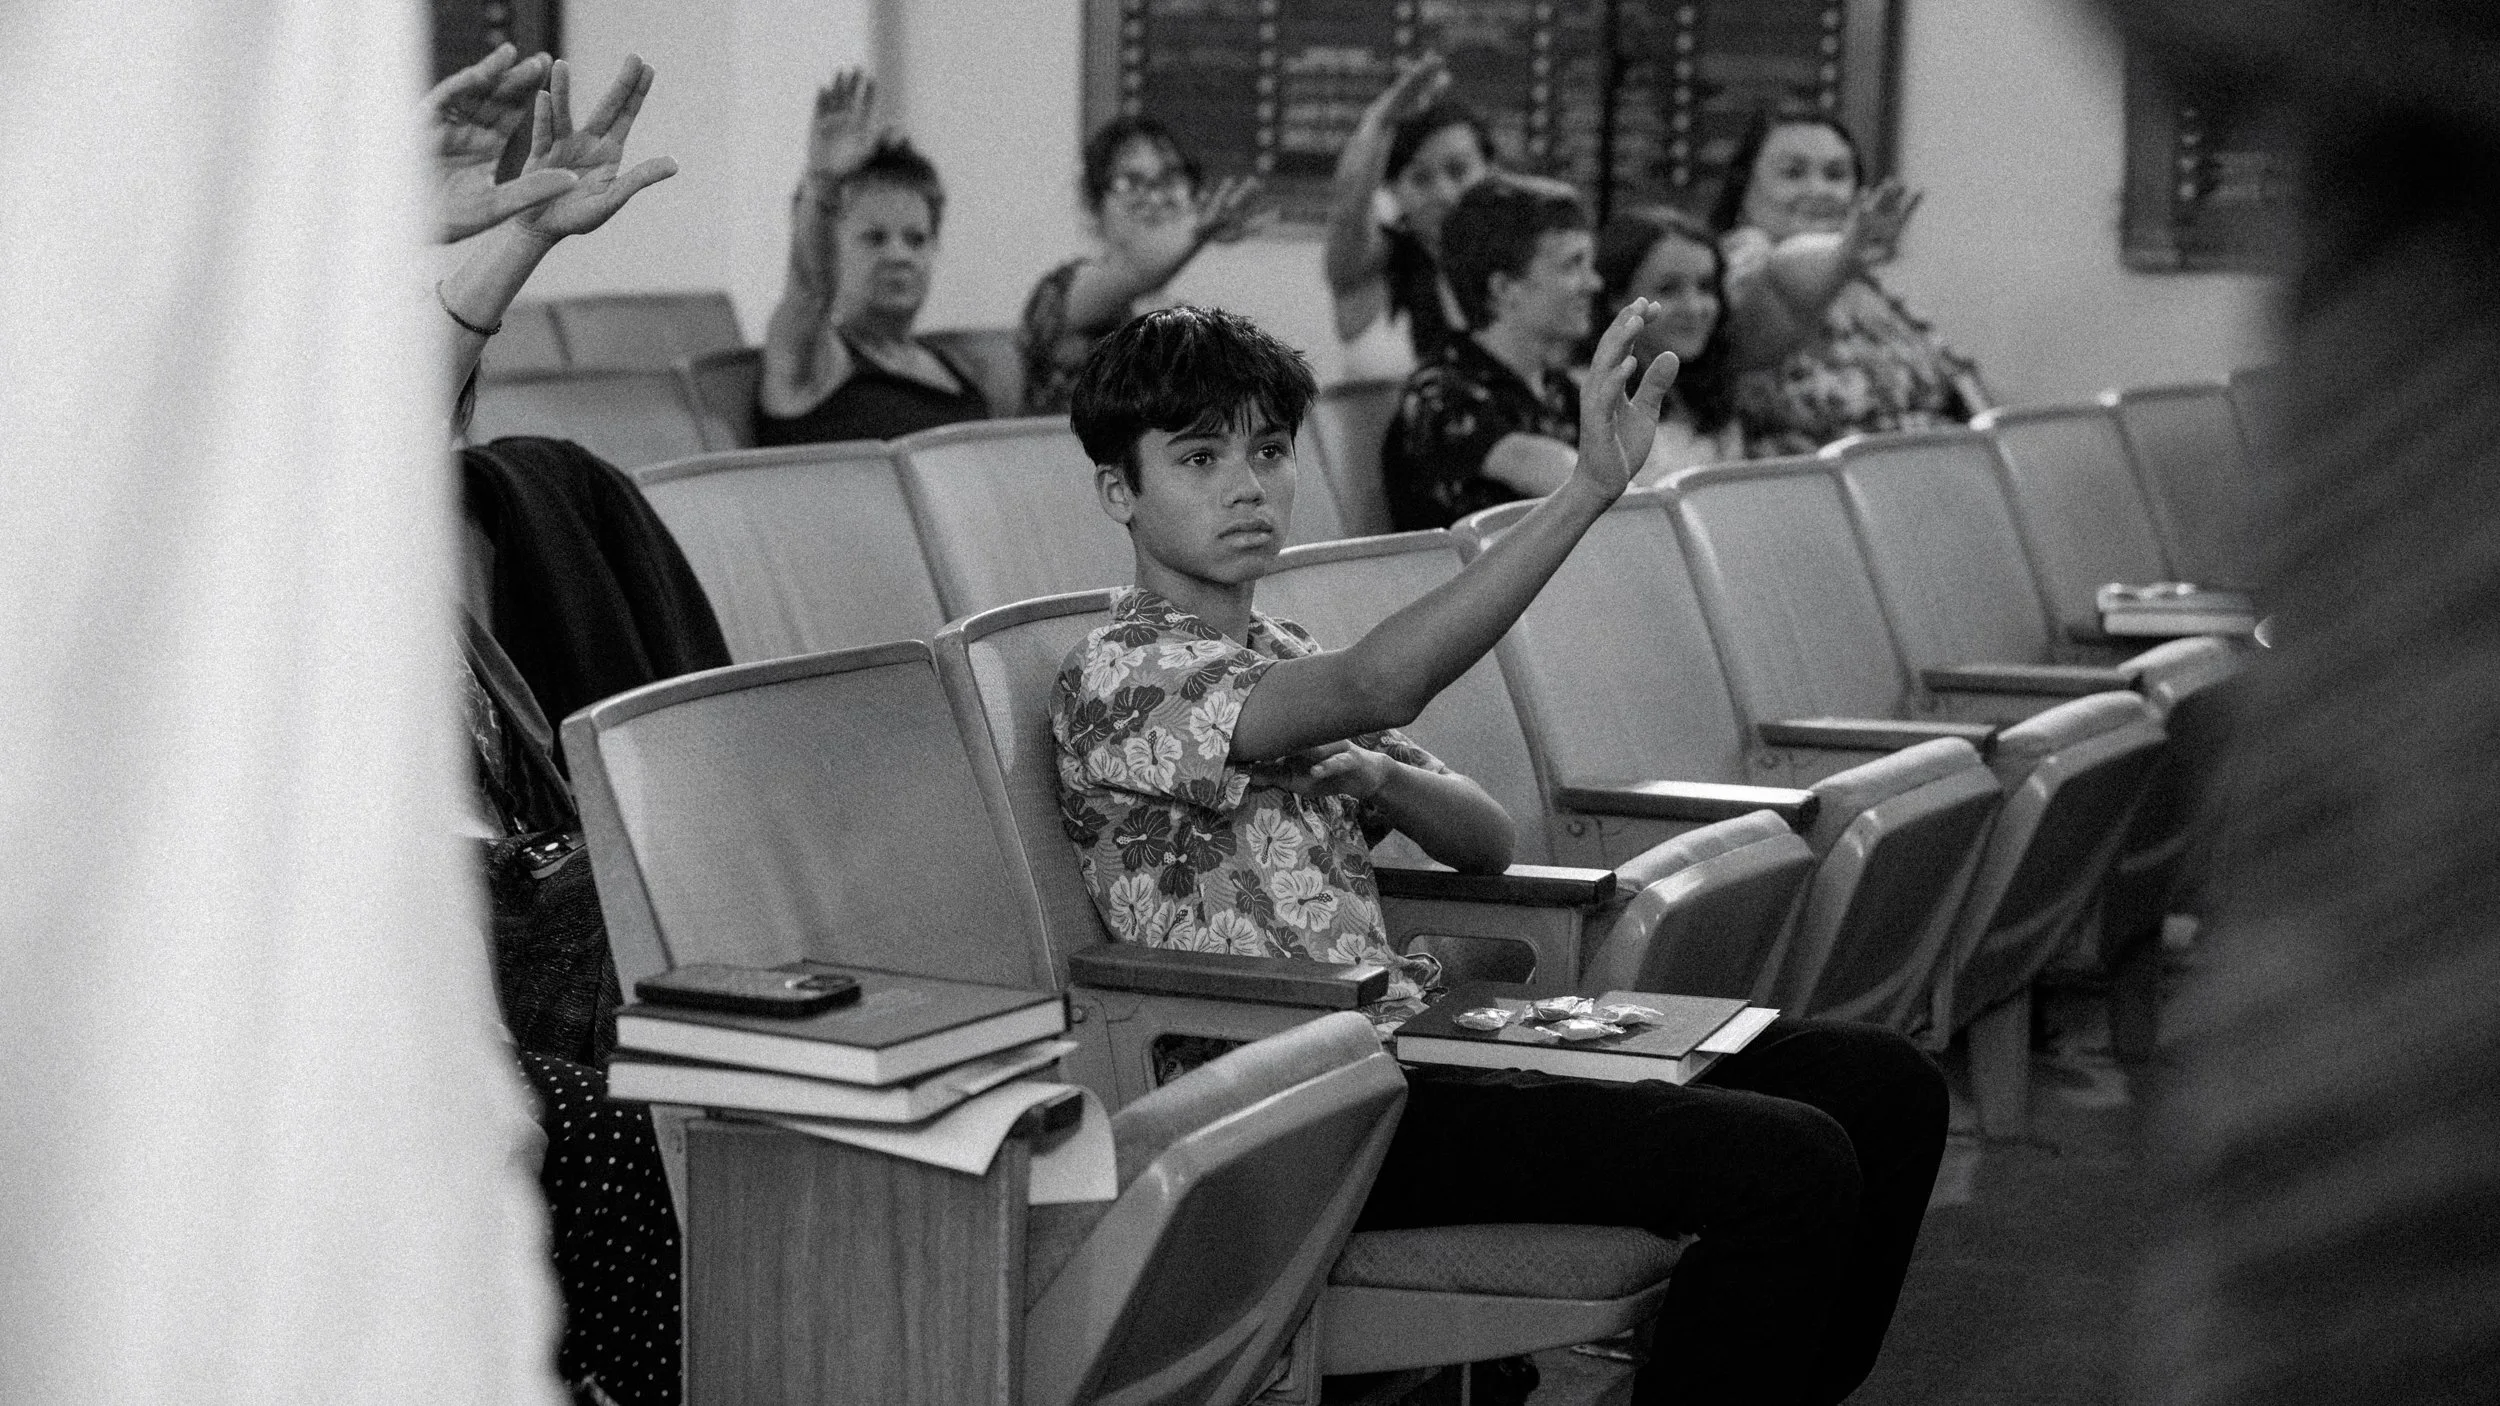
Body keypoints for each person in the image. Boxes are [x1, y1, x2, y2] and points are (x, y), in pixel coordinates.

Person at [1050, 304, 1947, 1406]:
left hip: (1421, 1044)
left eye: (1269, 451)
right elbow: (1382, 684)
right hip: (1296, 1107)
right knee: (1789, 1163)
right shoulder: (1118, 672)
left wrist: (1384, 779)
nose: (1246, 485)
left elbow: (1486, 841)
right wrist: (1581, 493)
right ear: (1117, 492)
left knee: (1886, 1084)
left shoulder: (1279, 654)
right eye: (1198, 457)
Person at [425, 48, 684, 1406]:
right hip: (391, 962)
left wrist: (501, 246)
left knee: (773, 1065)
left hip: (500, 926)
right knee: (598, 1129)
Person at [1709, 109, 1987, 457]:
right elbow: (1785, 286)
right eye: (1794, 173)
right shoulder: (1732, 271)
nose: (1819, 189)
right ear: (1743, 186)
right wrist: (1843, 256)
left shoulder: (1866, 284)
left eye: (1836, 175)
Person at [757, 70, 988, 445]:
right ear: (833, 246)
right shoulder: (812, 358)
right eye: (874, 238)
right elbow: (809, 288)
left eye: (916, 239)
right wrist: (824, 186)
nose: (899, 255)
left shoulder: (956, 368)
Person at [1380, 177, 1604, 531]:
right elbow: (1569, 479)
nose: (1594, 283)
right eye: (1572, 265)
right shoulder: (1440, 394)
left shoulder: (1561, 391)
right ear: (1503, 288)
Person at [1017, 115, 1267, 415]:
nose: (1154, 196)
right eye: (1129, 182)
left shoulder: (1180, 322)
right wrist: (1198, 230)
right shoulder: (1063, 295)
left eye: (1170, 178)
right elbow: (1135, 271)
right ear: (1093, 203)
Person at [1322, 54, 1498, 375]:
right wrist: (1378, 125)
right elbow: (1348, 207)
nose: (1444, 195)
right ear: (1391, 189)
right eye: (1420, 179)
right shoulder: (1372, 264)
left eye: (1458, 171)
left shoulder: (1518, 269)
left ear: (1491, 171)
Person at [1595, 204, 1745, 478]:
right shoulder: (1589, 399)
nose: (1694, 308)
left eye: (1706, 287)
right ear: (1617, 298)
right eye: (1669, 290)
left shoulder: (1713, 389)